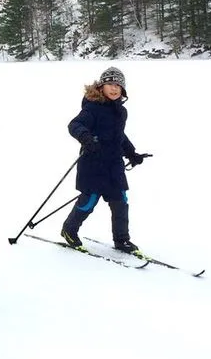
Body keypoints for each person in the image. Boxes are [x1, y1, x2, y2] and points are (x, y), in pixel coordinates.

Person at [60, 67, 148, 253]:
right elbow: (74, 125)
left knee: (120, 201)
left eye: (118, 85)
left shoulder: (121, 111)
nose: (114, 88)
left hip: (114, 165)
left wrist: (132, 153)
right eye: (110, 84)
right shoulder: (92, 108)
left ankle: (122, 240)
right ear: (101, 86)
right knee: (89, 201)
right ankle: (69, 230)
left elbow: (119, 136)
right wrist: (86, 138)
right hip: (93, 163)